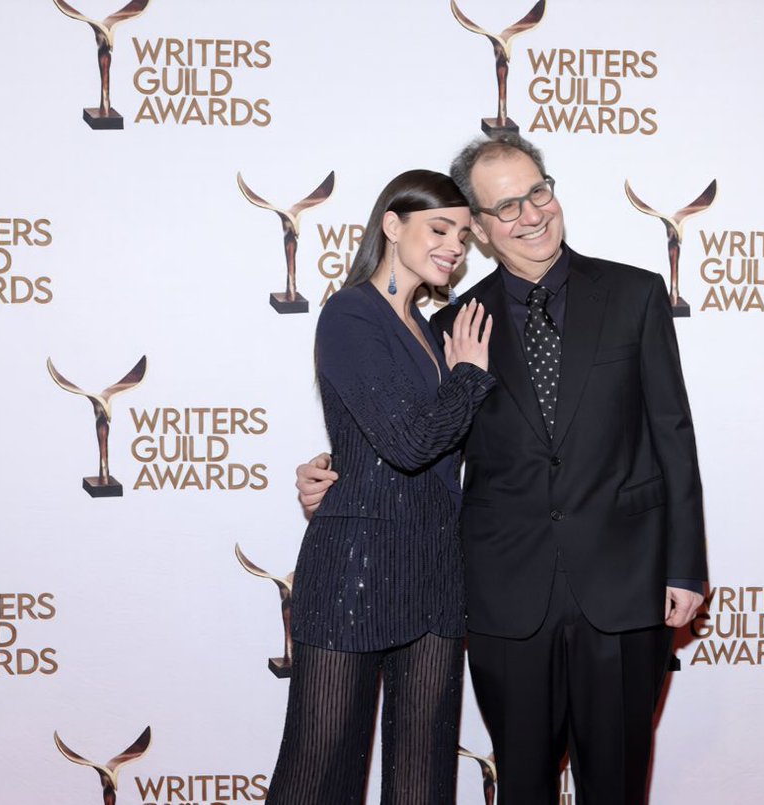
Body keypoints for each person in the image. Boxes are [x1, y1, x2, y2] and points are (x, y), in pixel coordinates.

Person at [297, 134, 708, 805]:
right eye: (505, 206)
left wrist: (685, 566)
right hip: (504, 598)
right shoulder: (455, 323)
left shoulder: (636, 294)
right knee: (522, 787)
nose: (530, 214)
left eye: (537, 192)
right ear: (481, 231)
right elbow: (421, 446)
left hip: (626, 585)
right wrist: (334, 474)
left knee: (619, 786)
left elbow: (673, 433)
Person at [268, 169, 496, 804]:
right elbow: (409, 443)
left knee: (423, 783)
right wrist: (469, 379)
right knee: (318, 778)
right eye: (438, 228)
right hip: (355, 571)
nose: (454, 244)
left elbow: (425, 445)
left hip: (435, 574)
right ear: (393, 227)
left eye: (462, 233)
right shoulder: (350, 314)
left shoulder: (431, 329)